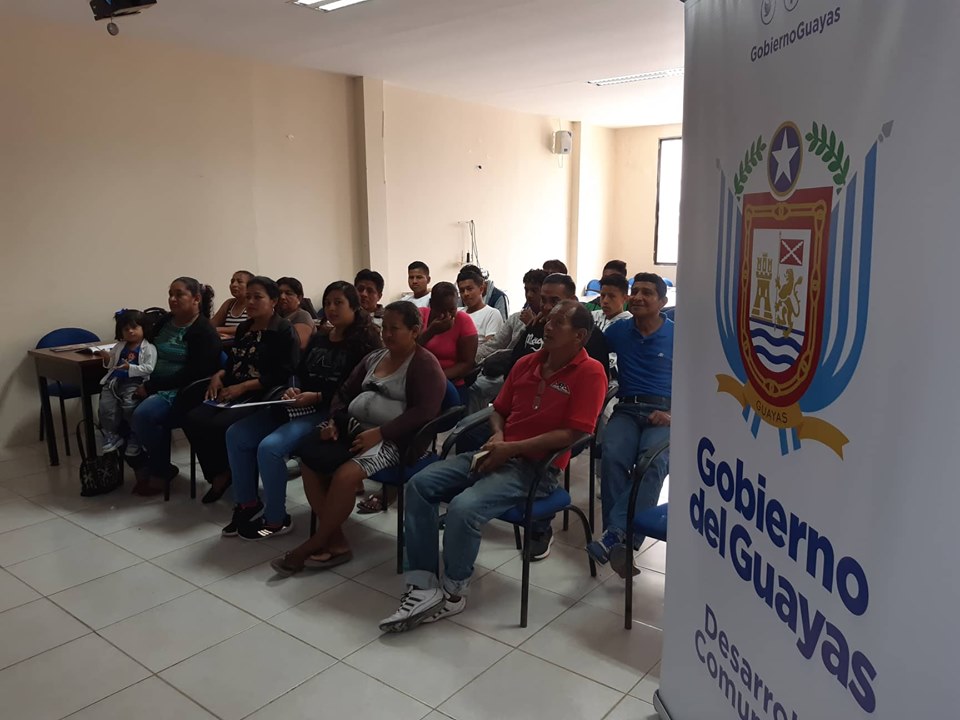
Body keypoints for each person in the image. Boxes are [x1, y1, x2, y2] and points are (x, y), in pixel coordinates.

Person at [378, 300, 607, 632]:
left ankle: (453, 593)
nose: (548, 326)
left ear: (580, 336)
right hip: (497, 451)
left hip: (536, 468)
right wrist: (499, 436)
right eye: (549, 319)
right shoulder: (527, 362)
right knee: (420, 485)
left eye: (558, 322)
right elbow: (499, 409)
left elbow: (573, 433)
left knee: (463, 508)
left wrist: (511, 448)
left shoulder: (591, 372)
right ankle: (423, 583)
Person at [269, 301, 447, 575]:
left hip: (398, 438)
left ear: (414, 331)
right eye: (384, 327)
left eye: (395, 329)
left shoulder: (424, 365)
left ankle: (313, 544)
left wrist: (380, 433)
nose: (387, 334)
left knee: (345, 476)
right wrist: (335, 421)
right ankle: (336, 540)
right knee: (309, 461)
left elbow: (424, 413)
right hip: (354, 428)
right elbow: (343, 392)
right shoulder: (375, 358)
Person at [223, 281, 382, 539]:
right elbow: (298, 372)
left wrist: (317, 396)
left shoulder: (364, 344)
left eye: (338, 303)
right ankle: (248, 504)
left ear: (354, 306)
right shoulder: (320, 338)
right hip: (299, 405)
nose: (331, 308)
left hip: (330, 412)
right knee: (236, 434)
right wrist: (293, 389)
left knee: (270, 447)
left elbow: (359, 390)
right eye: (327, 303)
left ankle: (276, 519)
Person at [182, 276, 299, 504]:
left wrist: (243, 387)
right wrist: (219, 375)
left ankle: (235, 477)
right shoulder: (244, 327)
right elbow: (234, 362)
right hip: (233, 388)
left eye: (258, 297)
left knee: (219, 425)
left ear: (273, 300)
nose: (251, 302)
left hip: (262, 393)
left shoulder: (283, 329)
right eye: (248, 297)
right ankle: (220, 472)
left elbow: (283, 373)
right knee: (192, 419)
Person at [586, 273, 673, 579]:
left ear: (662, 302)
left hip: (664, 412)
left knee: (652, 463)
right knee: (612, 457)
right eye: (634, 291)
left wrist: (674, 413)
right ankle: (620, 537)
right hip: (627, 407)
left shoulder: (678, 335)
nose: (637, 297)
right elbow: (589, 351)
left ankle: (616, 536)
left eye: (647, 292)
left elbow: (698, 380)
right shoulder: (619, 331)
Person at [128, 277, 221, 496]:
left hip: (180, 391)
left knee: (143, 415)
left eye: (179, 294)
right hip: (151, 381)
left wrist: (152, 387)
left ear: (196, 299)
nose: (172, 299)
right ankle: (142, 464)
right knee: (115, 408)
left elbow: (194, 373)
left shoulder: (203, 331)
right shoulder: (165, 321)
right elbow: (146, 346)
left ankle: (160, 471)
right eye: (170, 294)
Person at [98, 310, 156, 455]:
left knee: (130, 407)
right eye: (126, 329)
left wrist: (130, 367)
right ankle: (112, 435)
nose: (130, 331)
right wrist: (107, 358)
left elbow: (149, 368)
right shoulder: (120, 346)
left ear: (143, 328)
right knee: (105, 408)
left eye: (134, 327)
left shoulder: (149, 348)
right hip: (114, 381)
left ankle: (135, 437)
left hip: (134, 383)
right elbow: (112, 363)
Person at [418, 282, 478, 404]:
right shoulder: (420, 316)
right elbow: (407, 350)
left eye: (452, 310)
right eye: (440, 310)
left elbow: (467, 363)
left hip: (451, 382)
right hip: (417, 380)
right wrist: (430, 332)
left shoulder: (463, 321)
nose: (447, 315)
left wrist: (437, 378)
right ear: (431, 305)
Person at [456, 268, 504, 346]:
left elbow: (491, 348)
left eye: (469, 289)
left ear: (481, 289)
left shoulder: (492, 314)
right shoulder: (457, 312)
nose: (465, 294)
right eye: (462, 291)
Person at [277, 277, 317, 350]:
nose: (282, 297)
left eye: (288, 293)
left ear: (299, 298)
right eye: (279, 293)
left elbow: (298, 345)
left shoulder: (302, 315)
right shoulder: (277, 315)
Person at [210, 270, 254, 336]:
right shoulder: (229, 303)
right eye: (232, 281)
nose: (234, 285)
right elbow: (211, 325)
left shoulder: (252, 305)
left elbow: (247, 328)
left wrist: (217, 330)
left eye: (239, 282)